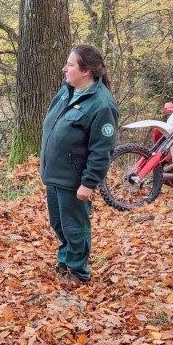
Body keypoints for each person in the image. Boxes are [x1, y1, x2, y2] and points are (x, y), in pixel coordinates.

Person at [40, 45, 119, 283]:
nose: (65, 69)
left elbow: (102, 149)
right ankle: (64, 262)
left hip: (74, 180)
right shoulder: (67, 91)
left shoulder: (102, 105)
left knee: (75, 227)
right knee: (59, 224)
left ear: (85, 71)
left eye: (71, 65)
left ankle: (77, 271)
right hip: (54, 175)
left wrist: (88, 183)